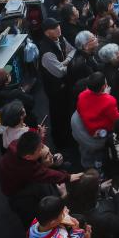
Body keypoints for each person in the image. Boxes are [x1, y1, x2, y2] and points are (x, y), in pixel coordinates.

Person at [39, 18, 77, 150]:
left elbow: (72, 50)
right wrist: (69, 63)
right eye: (54, 28)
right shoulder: (46, 52)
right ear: (46, 32)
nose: (58, 29)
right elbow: (60, 72)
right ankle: (60, 142)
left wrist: (65, 61)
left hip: (65, 85)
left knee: (67, 110)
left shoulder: (60, 38)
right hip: (55, 89)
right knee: (58, 114)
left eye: (58, 26)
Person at [23, 195, 90, 238]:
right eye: (62, 214)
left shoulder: (36, 220)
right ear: (53, 222)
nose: (65, 214)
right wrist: (77, 232)